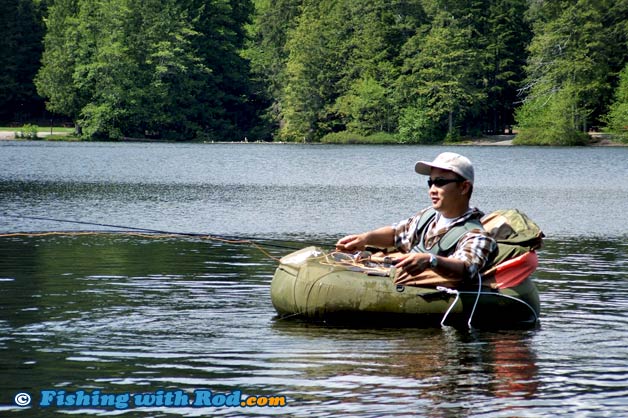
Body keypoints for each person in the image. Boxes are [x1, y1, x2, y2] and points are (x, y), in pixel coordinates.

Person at [335, 152, 496, 286]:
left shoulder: (477, 235)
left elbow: (466, 268)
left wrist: (431, 261)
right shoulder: (427, 216)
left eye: (440, 183)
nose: (432, 190)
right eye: (430, 183)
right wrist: (365, 238)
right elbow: (396, 235)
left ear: (464, 187)